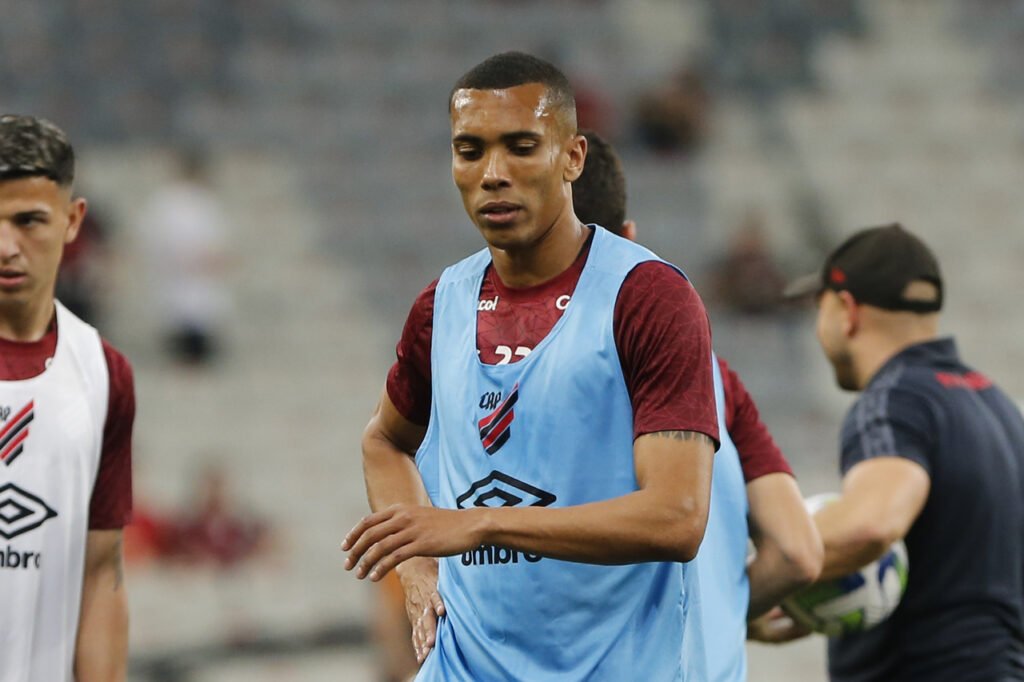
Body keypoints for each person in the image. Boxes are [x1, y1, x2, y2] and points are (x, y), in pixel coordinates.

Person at [342, 51, 719, 680]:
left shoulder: (647, 297)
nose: (493, 174)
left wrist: (481, 524)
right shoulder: (441, 305)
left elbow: (677, 517)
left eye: (521, 147)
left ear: (573, 156)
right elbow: (383, 441)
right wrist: (417, 573)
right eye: (469, 151)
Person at [572, 129, 823, 682]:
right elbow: (798, 553)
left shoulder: (507, 373)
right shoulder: (715, 375)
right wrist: (730, 615)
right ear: (630, 238)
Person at [752, 223, 1024, 681]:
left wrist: (748, 592)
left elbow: (869, 525)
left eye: (819, 307)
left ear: (847, 310)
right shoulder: (998, 407)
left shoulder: (894, 399)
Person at [0, 115, 134, 681]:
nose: (5, 247)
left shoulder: (104, 374)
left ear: (72, 220)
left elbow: (100, 572)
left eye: (28, 220)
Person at [141, 147, 230, 367]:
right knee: (181, 333)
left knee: (199, 330)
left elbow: (218, 247)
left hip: (201, 284)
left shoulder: (203, 202)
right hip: (176, 282)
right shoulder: (169, 202)